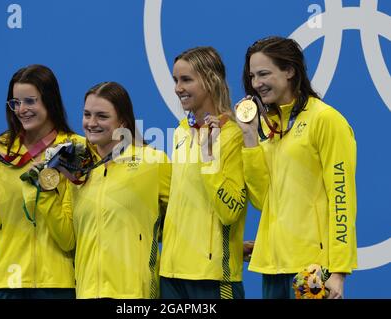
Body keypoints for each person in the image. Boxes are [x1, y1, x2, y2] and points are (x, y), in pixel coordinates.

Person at [236, 36, 357, 299]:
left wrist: (338, 271)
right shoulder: (268, 128)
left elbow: (342, 198)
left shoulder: (325, 120)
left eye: (264, 73)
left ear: (290, 71)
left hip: (313, 268)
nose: (257, 83)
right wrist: (249, 137)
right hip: (273, 265)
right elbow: (262, 199)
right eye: (253, 76)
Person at [42, 81, 171, 298]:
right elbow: (68, 239)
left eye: (102, 116)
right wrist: (45, 194)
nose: (91, 123)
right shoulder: (77, 170)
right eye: (87, 115)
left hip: (135, 295)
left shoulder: (153, 162)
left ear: (122, 120)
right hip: (88, 292)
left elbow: (180, 222)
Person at [0, 64, 84, 299]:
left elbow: (72, 232)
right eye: (15, 103)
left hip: (58, 281)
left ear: (49, 101)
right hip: (5, 280)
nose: (22, 110)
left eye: (30, 101)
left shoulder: (76, 149)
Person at [159, 46, 261, 299]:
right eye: (175, 80)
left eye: (186, 80)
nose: (177, 88)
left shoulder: (233, 136)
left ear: (211, 80)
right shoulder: (182, 131)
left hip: (212, 277)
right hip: (170, 274)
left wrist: (209, 160)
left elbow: (231, 211)